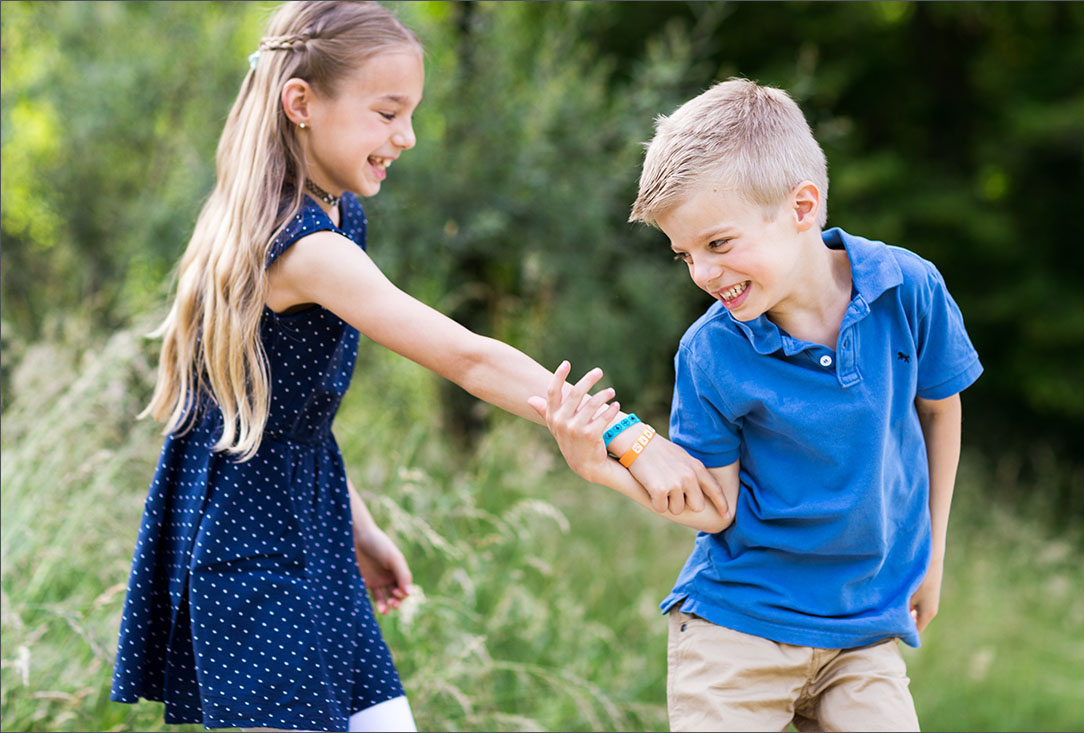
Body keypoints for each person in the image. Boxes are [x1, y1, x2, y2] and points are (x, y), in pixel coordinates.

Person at [108, 3, 728, 732]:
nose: (403, 137)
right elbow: (466, 357)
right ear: (301, 104)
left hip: (314, 531)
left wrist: (360, 527)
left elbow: (288, 422)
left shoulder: (338, 216)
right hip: (251, 554)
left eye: (410, 115)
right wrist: (628, 434)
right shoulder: (304, 247)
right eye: (386, 113)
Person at [530, 77, 983, 732]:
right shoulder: (710, 352)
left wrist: (933, 556)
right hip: (738, 628)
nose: (704, 274)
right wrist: (602, 467)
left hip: (863, 629)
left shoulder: (907, 288)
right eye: (684, 254)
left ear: (803, 207)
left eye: (719, 244)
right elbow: (716, 508)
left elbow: (941, 410)